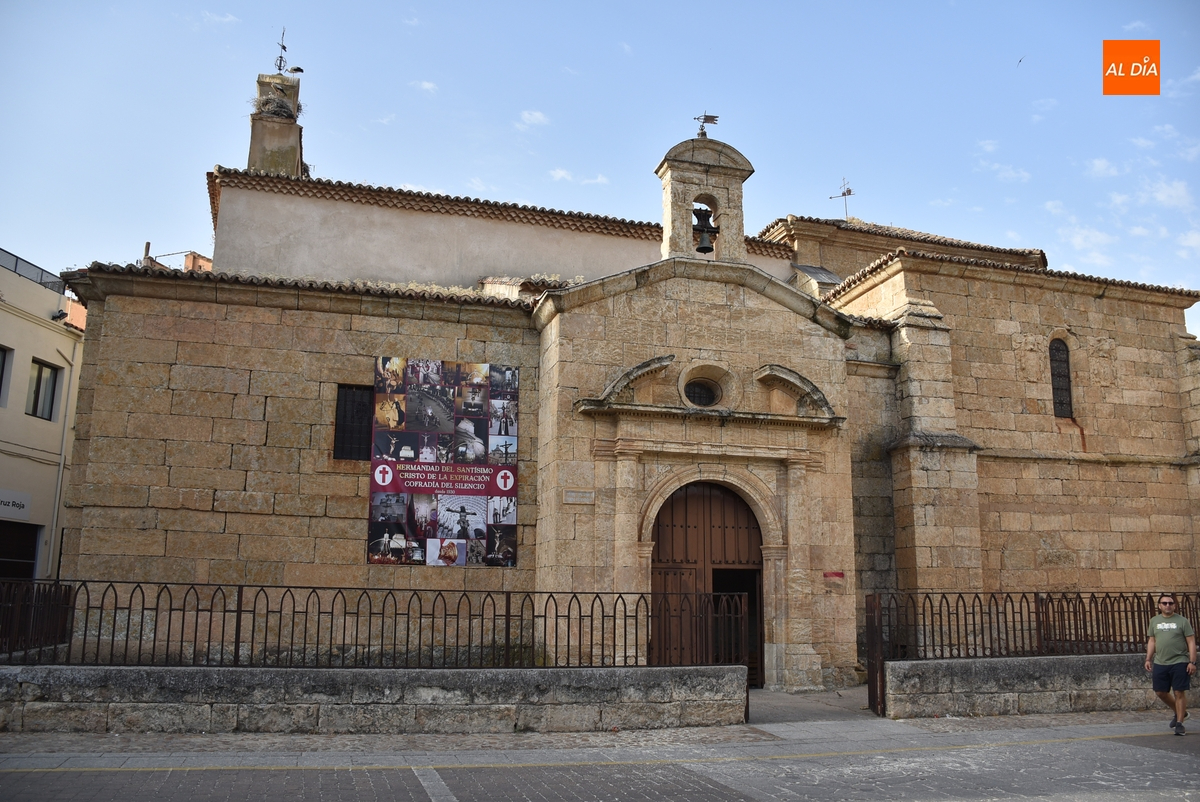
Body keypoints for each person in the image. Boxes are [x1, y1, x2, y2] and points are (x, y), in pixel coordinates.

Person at [1145, 593, 1196, 736]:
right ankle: (1181, 712)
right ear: (1159, 606)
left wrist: (1192, 661)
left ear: (1174, 605)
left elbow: (1191, 641)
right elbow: (1152, 640)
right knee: (1161, 692)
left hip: (1179, 661)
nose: (1168, 605)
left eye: (1170, 603)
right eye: (1165, 603)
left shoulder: (1182, 621)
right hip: (1160, 662)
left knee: (1179, 691)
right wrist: (1148, 658)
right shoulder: (1154, 621)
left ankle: (1179, 723)